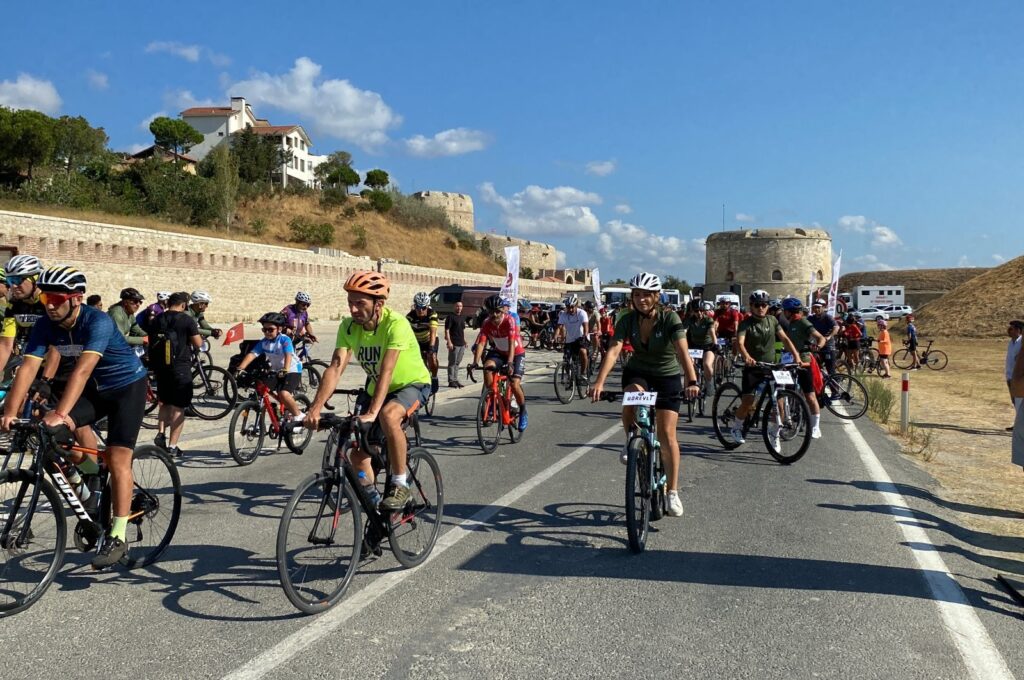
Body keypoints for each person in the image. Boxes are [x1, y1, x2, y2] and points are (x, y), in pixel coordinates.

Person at [2, 265, 148, 569]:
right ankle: (93, 474)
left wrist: (61, 413)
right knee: (54, 436)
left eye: (57, 298)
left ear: (76, 299)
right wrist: (9, 414)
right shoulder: (46, 324)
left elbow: (81, 371)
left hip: (127, 388)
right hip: (97, 390)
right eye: (46, 299)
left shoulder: (99, 321)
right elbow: (28, 368)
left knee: (119, 458)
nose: (51, 305)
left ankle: (118, 537)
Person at [307, 271, 431, 510]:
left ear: (379, 304)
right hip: (377, 390)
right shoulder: (349, 327)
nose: (353, 310)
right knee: (358, 457)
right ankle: (376, 508)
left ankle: (400, 484)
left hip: (411, 384)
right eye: (350, 303)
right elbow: (335, 367)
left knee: (388, 415)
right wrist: (315, 408)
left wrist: (374, 411)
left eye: (359, 303)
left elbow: (387, 368)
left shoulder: (396, 324)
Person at [589, 272, 699, 518]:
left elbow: (683, 352)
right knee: (631, 394)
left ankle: (672, 492)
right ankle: (631, 438)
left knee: (667, 433)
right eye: (637, 295)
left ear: (656, 296)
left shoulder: (669, 318)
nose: (641, 300)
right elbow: (614, 349)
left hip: (667, 375)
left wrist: (691, 380)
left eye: (646, 295)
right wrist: (599, 381)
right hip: (638, 373)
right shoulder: (626, 319)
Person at [725, 290, 804, 446]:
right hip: (753, 366)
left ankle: (774, 433)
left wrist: (797, 356)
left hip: (771, 366)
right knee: (748, 401)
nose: (761, 308)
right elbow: (740, 343)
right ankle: (736, 427)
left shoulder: (773, 321)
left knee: (779, 400)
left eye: (764, 305)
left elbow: (785, 339)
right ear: (751, 306)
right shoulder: (745, 323)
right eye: (757, 305)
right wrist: (747, 357)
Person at [148, 292, 202, 458]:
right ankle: (172, 446)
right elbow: (198, 343)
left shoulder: (157, 319)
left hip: (160, 367)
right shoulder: (187, 320)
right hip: (180, 367)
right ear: (184, 305)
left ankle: (161, 433)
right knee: (179, 406)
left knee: (164, 402)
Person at [233, 312, 305, 435]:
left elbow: (288, 354)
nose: (267, 332)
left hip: (292, 369)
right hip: (277, 370)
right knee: (261, 388)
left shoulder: (284, 339)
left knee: (283, 393)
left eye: (270, 330)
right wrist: (240, 368)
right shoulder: (264, 342)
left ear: (279, 329)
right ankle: (272, 413)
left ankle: (299, 416)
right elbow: (252, 354)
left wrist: (286, 369)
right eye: (264, 329)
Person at [472, 295, 529, 431]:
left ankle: (523, 411)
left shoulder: (510, 320)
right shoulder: (487, 322)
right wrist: (474, 362)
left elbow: (511, 344)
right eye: (491, 312)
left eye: (497, 311)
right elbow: (481, 343)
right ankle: (493, 399)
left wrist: (509, 363)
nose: (495, 315)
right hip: (498, 352)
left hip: (515, 353)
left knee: (514, 384)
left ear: (502, 311)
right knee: (487, 367)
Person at [780, 297, 826, 439]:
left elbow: (820, 337)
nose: (783, 313)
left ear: (789, 311)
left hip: (804, 362)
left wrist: (818, 346)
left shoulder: (802, 322)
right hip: (790, 360)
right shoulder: (791, 324)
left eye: (784, 311)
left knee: (810, 395)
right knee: (784, 392)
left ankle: (815, 426)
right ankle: (785, 420)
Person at [0, 254, 47, 373]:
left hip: (51, 365)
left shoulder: (49, 303)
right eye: (10, 281)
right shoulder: (14, 304)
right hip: (25, 362)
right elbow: (6, 344)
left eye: (17, 280)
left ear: (35, 279)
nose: (13, 286)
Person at [407, 291, 440, 395]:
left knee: (432, 358)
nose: (420, 310)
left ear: (427, 306)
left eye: (423, 308)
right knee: (418, 362)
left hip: (430, 339)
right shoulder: (410, 317)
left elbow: (433, 332)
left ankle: (434, 377)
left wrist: (431, 347)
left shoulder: (432, 314)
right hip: (417, 341)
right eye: (418, 307)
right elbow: (406, 333)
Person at [557, 294, 590, 386]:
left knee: (583, 352)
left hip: (581, 338)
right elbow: (559, 327)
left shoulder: (582, 313)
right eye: (568, 307)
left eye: (572, 307)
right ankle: (570, 376)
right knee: (566, 359)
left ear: (576, 306)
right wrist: (554, 337)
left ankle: (583, 374)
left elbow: (585, 326)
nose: (570, 309)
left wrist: (585, 335)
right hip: (570, 339)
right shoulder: (563, 315)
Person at [683, 299, 717, 387]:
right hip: (694, 347)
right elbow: (683, 332)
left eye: (701, 310)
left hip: (707, 347)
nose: (699, 313)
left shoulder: (708, 320)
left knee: (706, 364)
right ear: (692, 311)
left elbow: (712, 333)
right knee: (689, 366)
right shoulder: (690, 320)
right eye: (696, 311)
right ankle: (687, 390)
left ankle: (709, 383)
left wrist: (715, 344)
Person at [808, 299, 838, 375]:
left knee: (830, 370)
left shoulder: (828, 317)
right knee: (814, 368)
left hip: (828, 345)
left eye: (818, 307)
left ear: (823, 307)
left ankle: (834, 385)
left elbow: (836, 328)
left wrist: (829, 336)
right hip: (816, 345)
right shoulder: (811, 318)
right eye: (814, 307)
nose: (816, 309)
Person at [444, 300, 469, 388]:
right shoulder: (450, 317)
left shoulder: (462, 317)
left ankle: (455, 379)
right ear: (454, 307)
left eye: (461, 306)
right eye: (457, 306)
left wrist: (465, 341)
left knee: (457, 363)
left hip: (461, 343)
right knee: (452, 362)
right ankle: (451, 380)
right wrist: (449, 342)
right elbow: (447, 330)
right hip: (454, 343)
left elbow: (461, 330)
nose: (459, 308)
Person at [1007, 320, 1023, 431]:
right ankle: (1018, 423)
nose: (1009, 331)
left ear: (1018, 330)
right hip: (1010, 376)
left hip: (1018, 377)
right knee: (1015, 402)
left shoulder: (1021, 342)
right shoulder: (1011, 342)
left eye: (1011, 329)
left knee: (1020, 402)